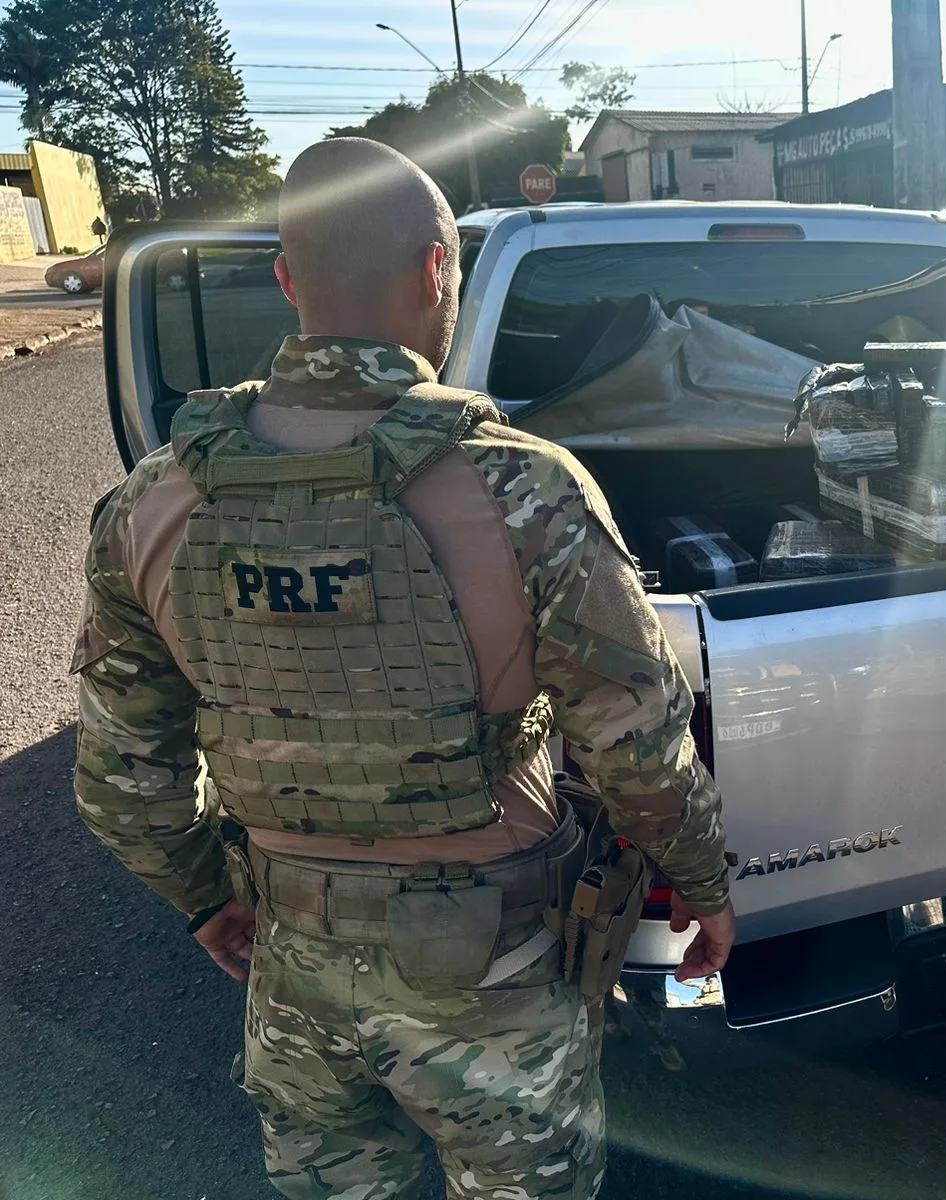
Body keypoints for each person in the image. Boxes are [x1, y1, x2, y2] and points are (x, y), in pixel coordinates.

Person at [71, 137, 736, 1200]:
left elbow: (121, 781)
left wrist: (204, 897)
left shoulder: (152, 500)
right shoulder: (524, 489)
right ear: (440, 269)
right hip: (496, 975)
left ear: (287, 282)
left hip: (290, 959)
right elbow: (635, 743)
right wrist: (701, 885)